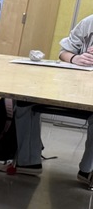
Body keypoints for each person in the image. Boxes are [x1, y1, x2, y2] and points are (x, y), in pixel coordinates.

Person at [8, 15, 93, 183]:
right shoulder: (88, 22)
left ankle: (87, 171)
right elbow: (63, 52)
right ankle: (29, 162)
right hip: (73, 87)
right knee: (24, 102)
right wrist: (76, 58)